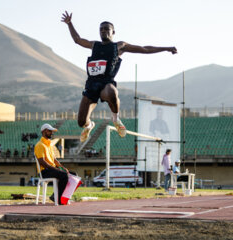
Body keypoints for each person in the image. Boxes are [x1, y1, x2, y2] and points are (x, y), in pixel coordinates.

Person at [61, 11, 177, 142]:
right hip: (91, 84)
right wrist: (69, 23)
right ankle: (89, 126)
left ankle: (115, 119)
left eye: (106, 29)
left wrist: (166, 48)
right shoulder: (94, 45)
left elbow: (144, 49)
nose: (103, 31)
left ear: (113, 32)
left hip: (106, 83)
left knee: (111, 92)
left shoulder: (119, 46)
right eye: (101, 29)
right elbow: (77, 40)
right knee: (81, 121)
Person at [34, 123, 75, 204]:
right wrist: (56, 169)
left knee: (73, 175)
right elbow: (42, 162)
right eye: (49, 131)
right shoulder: (39, 145)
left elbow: (54, 159)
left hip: (51, 169)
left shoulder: (49, 145)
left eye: (52, 131)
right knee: (63, 175)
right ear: (44, 131)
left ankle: (58, 196)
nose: (52, 133)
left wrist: (62, 167)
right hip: (44, 171)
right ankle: (59, 199)